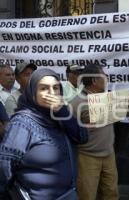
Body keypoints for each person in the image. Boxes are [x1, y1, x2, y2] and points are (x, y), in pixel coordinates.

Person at [0, 68, 88, 200]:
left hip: (68, 194)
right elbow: (5, 167)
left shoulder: (61, 116)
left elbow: (82, 137)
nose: (52, 93)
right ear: (32, 92)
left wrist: (62, 112)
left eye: (56, 88)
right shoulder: (22, 123)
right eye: (44, 88)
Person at [70, 64, 118, 200]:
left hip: (109, 155)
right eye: (104, 76)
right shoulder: (76, 103)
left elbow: (125, 112)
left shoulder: (108, 99)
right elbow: (68, 130)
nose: (107, 79)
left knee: (111, 193)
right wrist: (81, 128)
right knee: (87, 196)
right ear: (95, 81)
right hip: (87, 158)